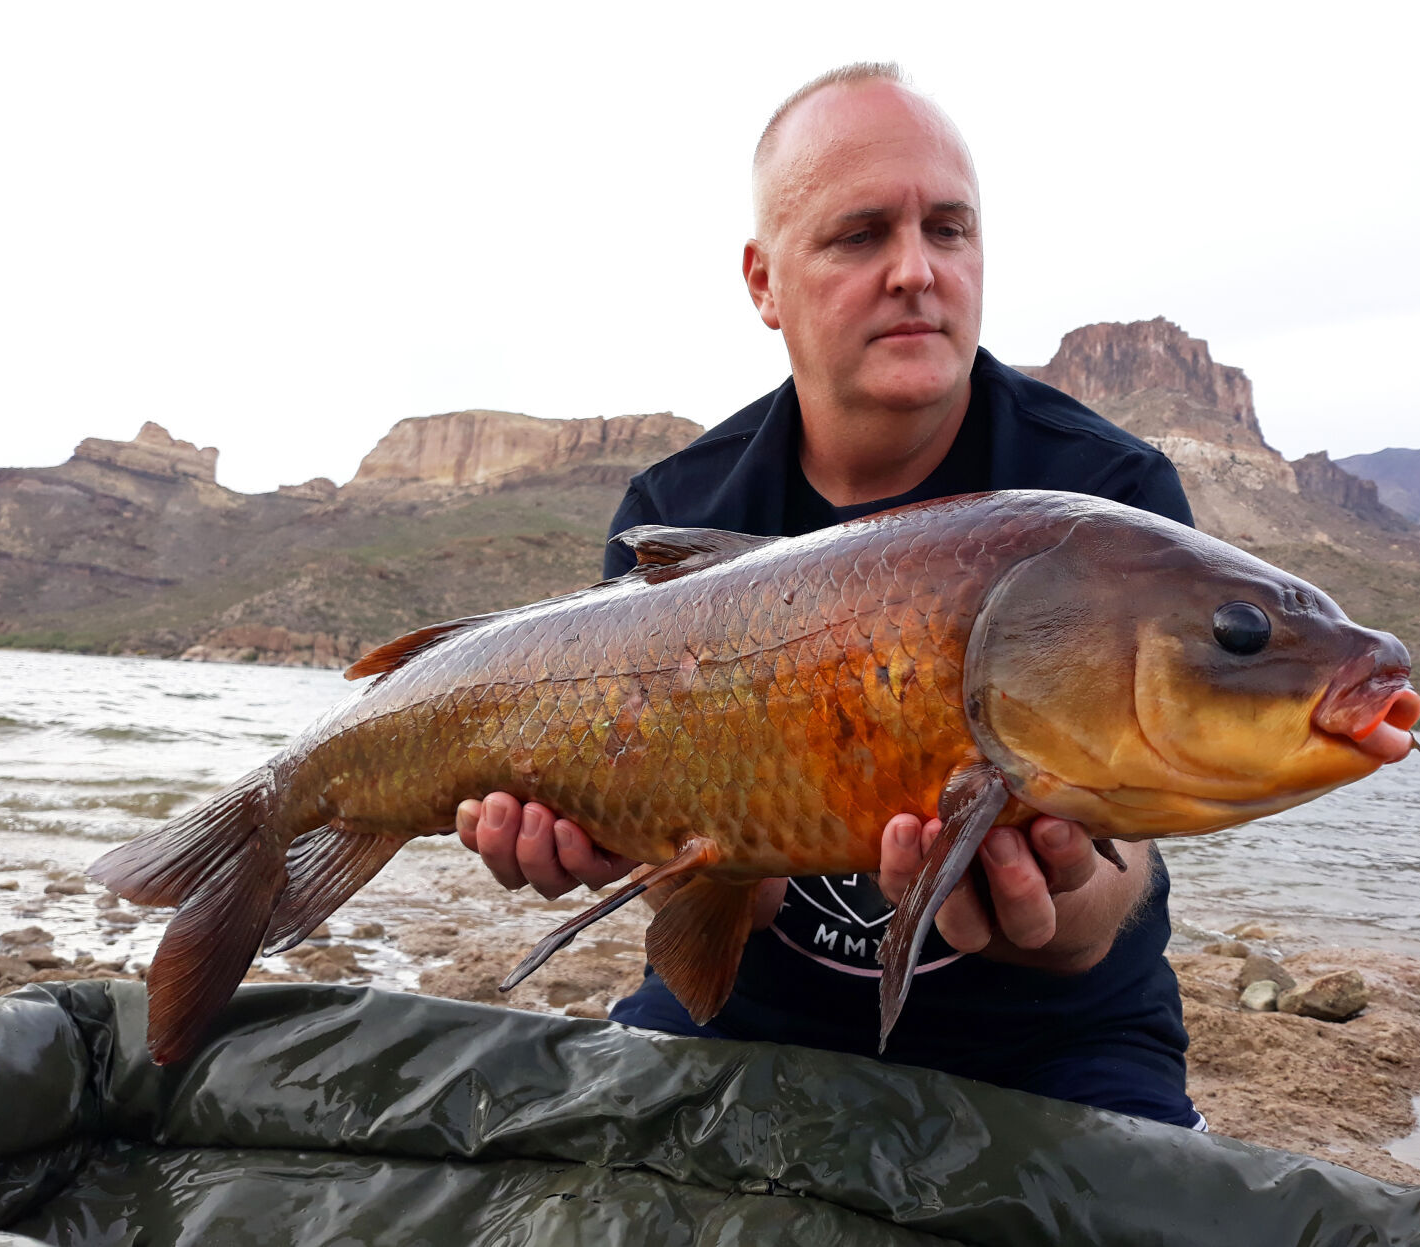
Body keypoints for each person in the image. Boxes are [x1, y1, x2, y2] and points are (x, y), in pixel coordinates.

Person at [457, 63, 1204, 1129]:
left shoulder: (1108, 507)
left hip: (1056, 1037)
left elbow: (1105, 914)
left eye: (949, 229)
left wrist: (1060, 901)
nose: (916, 270)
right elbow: (710, 909)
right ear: (764, 281)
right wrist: (622, 839)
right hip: (747, 1016)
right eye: (861, 235)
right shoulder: (675, 512)